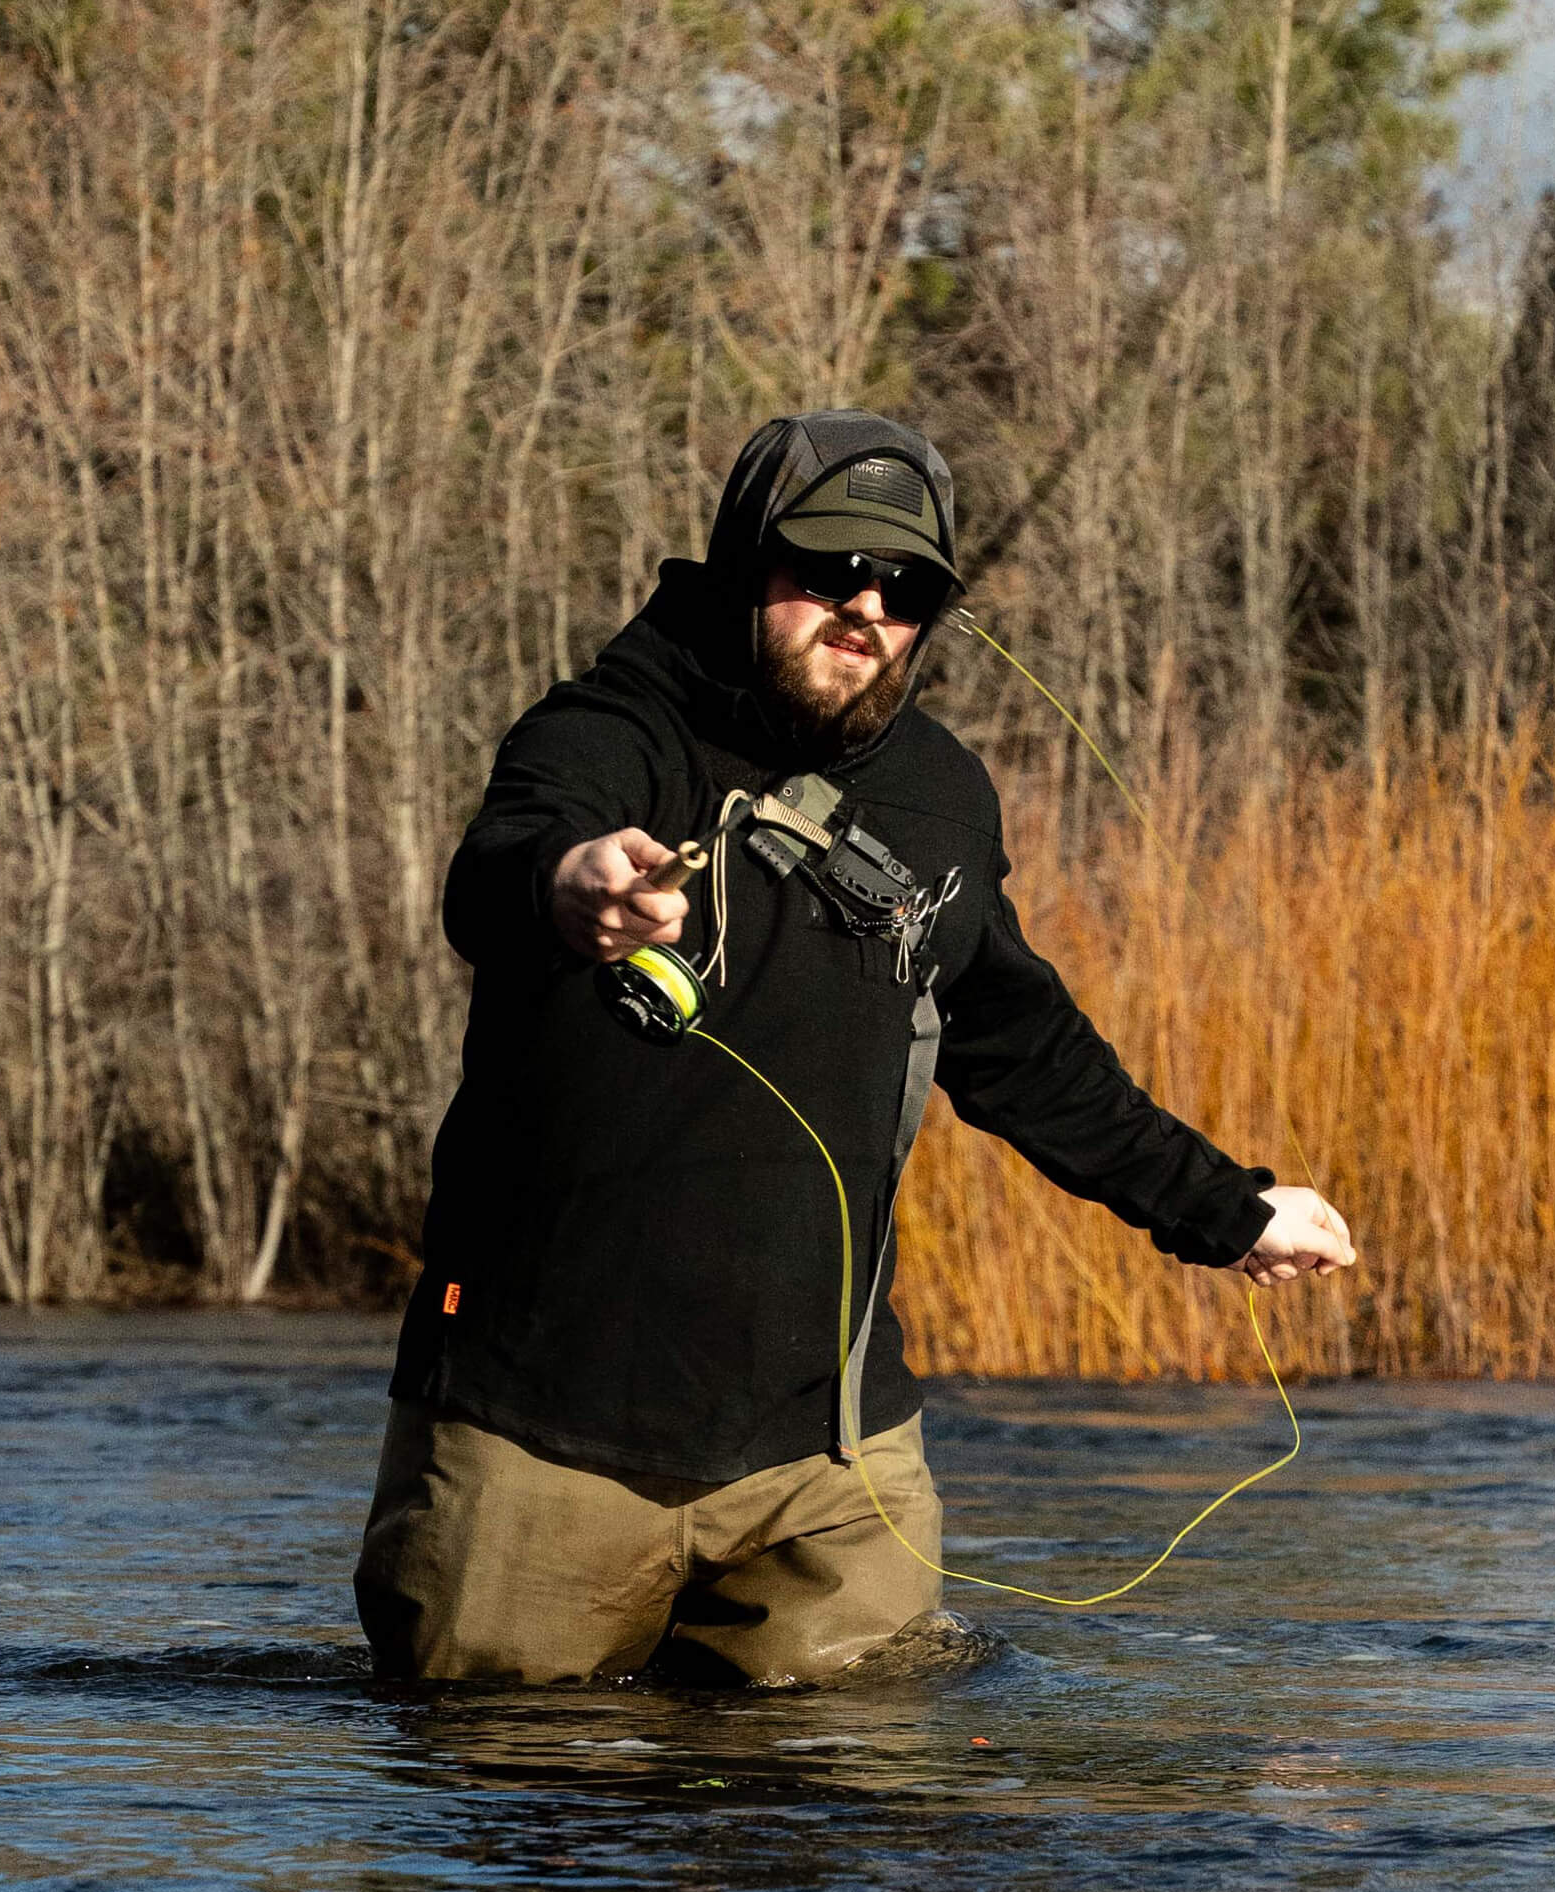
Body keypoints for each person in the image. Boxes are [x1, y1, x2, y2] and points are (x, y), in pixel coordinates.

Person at [354, 409, 1354, 1686]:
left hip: (832, 1465)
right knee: (518, 1824)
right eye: (826, 570)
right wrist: (573, 883)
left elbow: (1020, 1046)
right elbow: (498, 864)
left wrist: (1225, 1208)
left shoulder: (939, 797)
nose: (865, 606)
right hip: (536, 1434)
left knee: (856, 1826)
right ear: (738, 566)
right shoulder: (604, 733)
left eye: (905, 584)